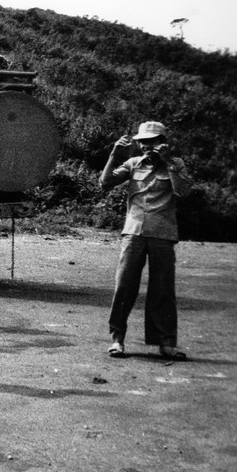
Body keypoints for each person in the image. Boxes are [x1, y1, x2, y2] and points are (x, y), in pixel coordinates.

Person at [100, 120, 193, 360]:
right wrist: (114, 154)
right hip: (134, 234)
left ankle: (166, 343)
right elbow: (104, 183)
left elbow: (183, 192)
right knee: (124, 287)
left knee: (162, 290)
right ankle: (117, 339)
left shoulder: (176, 164)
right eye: (143, 142)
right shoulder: (133, 164)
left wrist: (170, 162)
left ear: (163, 143)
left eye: (152, 142)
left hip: (162, 234)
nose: (146, 146)